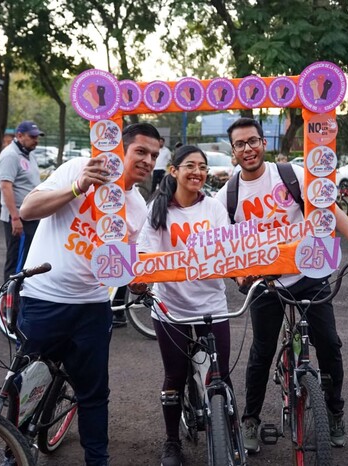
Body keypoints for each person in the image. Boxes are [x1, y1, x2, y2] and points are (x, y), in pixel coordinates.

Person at [214, 117, 348, 453]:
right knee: (261, 351)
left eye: (253, 141)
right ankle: (251, 419)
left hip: (308, 273)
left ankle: (334, 410)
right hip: (264, 282)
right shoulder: (226, 196)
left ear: (264, 143)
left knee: (329, 345)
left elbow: (328, 210)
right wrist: (237, 276)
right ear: (233, 152)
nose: (248, 149)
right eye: (240, 144)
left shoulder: (293, 175)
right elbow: (221, 247)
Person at [17, 122, 161, 466]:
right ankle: (15, 453)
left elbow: (125, 265)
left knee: (95, 395)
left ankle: (98, 461)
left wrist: (139, 281)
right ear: (121, 150)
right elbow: (28, 209)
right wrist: (78, 187)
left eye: (154, 155)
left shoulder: (138, 207)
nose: (147, 160)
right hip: (44, 298)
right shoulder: (79, 169)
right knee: (26, 387)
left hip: (94, 307)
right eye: (140, 151)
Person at [136, 145, 231, 466]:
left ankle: (225, 429)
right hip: (169, 309)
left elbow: (231, 251)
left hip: (213, 306)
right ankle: (172, 441)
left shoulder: (214, 208)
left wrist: (245, 275)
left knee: (221, 376)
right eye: (190, 165)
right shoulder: (157, 210)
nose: (198, 172)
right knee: (174, 377)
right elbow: (145, 255)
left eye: (203, 167)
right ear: (173, 170)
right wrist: (140, 280)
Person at [0, 121, 44, 281]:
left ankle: (20, 297)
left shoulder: (28, 153)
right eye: (32, 137)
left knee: (27, 260)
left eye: (37, 137)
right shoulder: (10, 155)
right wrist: (15, 218)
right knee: (16, 260)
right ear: (19, 136)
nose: (36, 140)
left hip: (30, 215)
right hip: (18, 217)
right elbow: (5, 187)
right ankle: (9, 301)